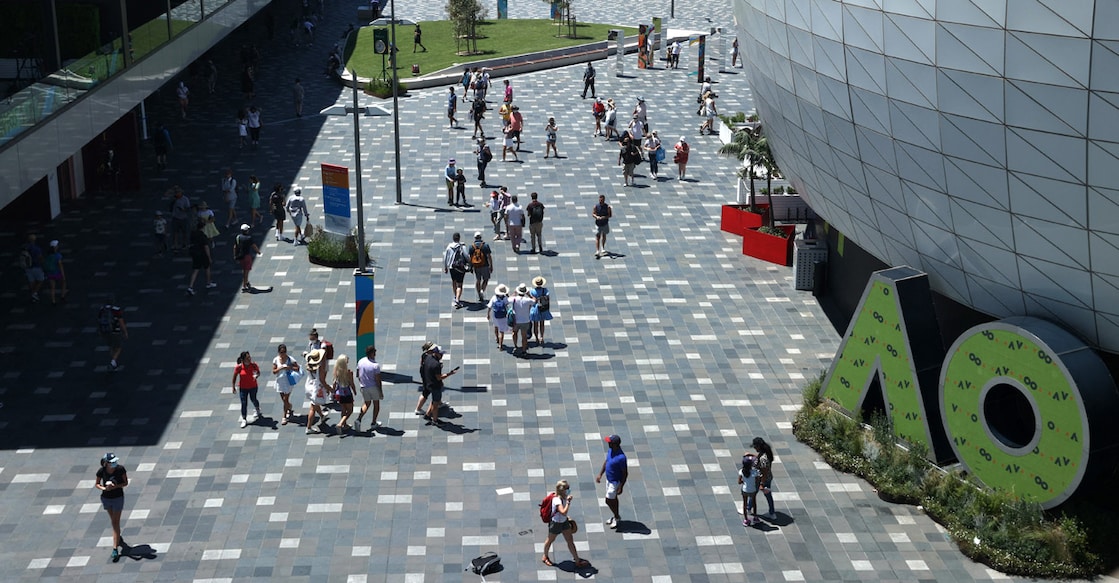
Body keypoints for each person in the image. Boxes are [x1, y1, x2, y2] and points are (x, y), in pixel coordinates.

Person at [541, 480, 590, 568]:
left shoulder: (564, 496)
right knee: (550, 540)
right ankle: (545, 556)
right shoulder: (557, 500)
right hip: (556, 524)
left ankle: (577, 560)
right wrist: (568, 502)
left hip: (564, 522)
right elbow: (563, 511)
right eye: (567, 488)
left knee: (570, 541)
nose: (569, 490)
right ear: (562, 490)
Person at [95, 453, 129, 562]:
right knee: (113, 520)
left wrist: (116, 486)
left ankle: (115, 548)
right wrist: (104, 488)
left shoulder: (120, 469)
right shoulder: (101, 471)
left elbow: (125, 482)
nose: (115, 464)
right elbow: (97, 484)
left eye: (115, 461)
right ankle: (118, 535)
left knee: (115, 522)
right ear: (107, 463)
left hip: (118, 498)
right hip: (106, 498)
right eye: (112, 462)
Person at [596, 434, 628, 528]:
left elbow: (625, 473)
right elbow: (607, 461)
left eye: (609, 442)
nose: (608, 443)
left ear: (614, 444)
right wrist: (600, 474)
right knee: (612, 499)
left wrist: (621, 486)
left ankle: (617, 517)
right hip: (608, 480)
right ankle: (615, 515)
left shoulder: (621, 458)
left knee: (608, 500)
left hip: (615, 482)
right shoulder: (611, 450)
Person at [423, 346, 458, 425]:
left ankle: (427, 415)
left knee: (435, 400)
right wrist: (450, 373)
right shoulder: (436, 365)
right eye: (440, 354)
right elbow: (439, 377)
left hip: (428, 383)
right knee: (436, 404)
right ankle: (435, 420)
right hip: (435, 386)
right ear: (436, 353)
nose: (442, 355)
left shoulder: (428, 358)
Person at [355, 345, 382, 432]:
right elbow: (378, 380)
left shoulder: (361, 361)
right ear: (372, 353)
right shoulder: (375, 365)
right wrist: (380, 391)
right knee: (376, 405)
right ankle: (373, 423)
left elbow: (358, 374)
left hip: (364, 387)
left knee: (366, 404)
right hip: (373, 387)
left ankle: (359, 419)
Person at [232, 351, 262, 428]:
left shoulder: (254, 365)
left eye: (249, 357)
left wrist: (256, 375)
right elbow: (234, 376)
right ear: (243, 360)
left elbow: (258, 372)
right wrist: (233, 386)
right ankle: (244, 418)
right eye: (247, 358)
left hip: (253, 386)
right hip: (243, 388)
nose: (249, 359)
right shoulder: (239, 367)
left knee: (253, 399)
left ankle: (257, 409)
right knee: (244, 403)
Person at [272, 344, 300, 425]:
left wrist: (289, 367)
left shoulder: (290, 359)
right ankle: (289, 406)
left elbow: (297, 368)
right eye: (281, 352)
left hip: (288, 381)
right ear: (279, 352)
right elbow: (274, 371)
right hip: (280, 381)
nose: (283, 354)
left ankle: (284, 416)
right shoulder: (276, 360)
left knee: (285, 399)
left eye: (284, 352)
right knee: (284, 400)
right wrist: (280, 368)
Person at [304, 349, 330, 434]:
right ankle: (309, 427)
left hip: (309, 387)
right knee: (312, 408)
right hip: (316, 389)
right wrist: (329, 389)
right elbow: (322, 381)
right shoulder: (320, 369)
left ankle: (322, 415)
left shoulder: (309, 365)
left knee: (315, 404)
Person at [186, 221, 216, 295]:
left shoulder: (193, 234)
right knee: (207, 267)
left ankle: (190, 286)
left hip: (194, 253)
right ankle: (208, 282)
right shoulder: (203, 236)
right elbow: (206, 247)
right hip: (202, 254)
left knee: (196, 270)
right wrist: (209, 257)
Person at [97, 301, 128, 371]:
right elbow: (121, 322)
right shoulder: (116, 309)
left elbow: (98, 321)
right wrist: (125, 332)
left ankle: (114, 363)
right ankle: (113, 362)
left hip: (106, 332)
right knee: (119, 347)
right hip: (115, 331)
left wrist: (100, 332)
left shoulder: (102, 309)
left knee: (112, 346)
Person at [752, 437, 778, 519]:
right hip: (766, 478)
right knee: (763, 494)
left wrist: (762, 484)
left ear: (759, 446)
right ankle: (772, 512)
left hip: (762, 479)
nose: (754, 448)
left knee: (753, 492)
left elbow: (764, 472)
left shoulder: (763, 458)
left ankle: (748, 508)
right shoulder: (765, 452)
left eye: (755, 446)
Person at [443, 232, 469, 308]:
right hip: (460, 267)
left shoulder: (449, 247)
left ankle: (455, 296)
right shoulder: (462, 247)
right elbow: (466, 256)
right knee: (460, 285)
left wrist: (445, 267)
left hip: (452, 267)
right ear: (459, 238)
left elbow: (445, 258)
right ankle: (457, 299)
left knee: (454, 282)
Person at [332, 354, 356, 434]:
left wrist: (333, 392)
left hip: (339, 393)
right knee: (350, 410)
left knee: (343, 409)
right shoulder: (349, 372)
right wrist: (355, 391)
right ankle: (341, 423)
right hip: (347, 393)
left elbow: (334, 383)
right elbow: (351, 383)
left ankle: (344, 425)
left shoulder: (336, 371)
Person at [234, 224, 261, 292]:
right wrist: (258, 252)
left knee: (244, 270)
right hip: (246, 256)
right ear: (247, 231)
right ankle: (244, 286)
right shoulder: (249, 238)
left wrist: (235, 256)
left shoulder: (238, 237)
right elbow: (254, 246)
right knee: (246, 271)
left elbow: (235, 247)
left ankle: (246, 282)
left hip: (240, 256)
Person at [509, 283, 534, 355]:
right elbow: (535, 300)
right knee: (524, 336)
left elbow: (508, 299)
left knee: (514, 333)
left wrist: (514, 293)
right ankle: (524, 350)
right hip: (525, 321)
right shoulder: (528, 300)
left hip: (516, 320)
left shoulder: (514, 299)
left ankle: (515, 346)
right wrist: (529, 295)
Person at [468, 232, 493, 302]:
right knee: (486, 279)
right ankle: (482, 290)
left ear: (475, 238)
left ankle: (479, 293)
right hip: (485, 265)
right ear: (481, 237)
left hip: (476, 266)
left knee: (478, 280)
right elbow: (489, 257)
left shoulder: (471, 246)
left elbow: (470, 258)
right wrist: (491, 266)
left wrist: (471, 267)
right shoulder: (485, 245)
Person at [738, 453, 760, 526]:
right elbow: (757, 481)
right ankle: (755, 517)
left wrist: (743, 481)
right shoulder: (754, 472)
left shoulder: (741, 471)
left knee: (744, 504)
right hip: (752, 490)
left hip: (744, 490)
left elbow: (739, 482)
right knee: (754, 503)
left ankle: (746, 519)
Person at [529, 276, 552, 346]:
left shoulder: (532, 291)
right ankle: (541, 337)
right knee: (542, 324)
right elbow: (548, 298)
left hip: (535, 309)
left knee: (535, 325)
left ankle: (536, 338)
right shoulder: (545, 290)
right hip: (543, 308)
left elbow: (531, 301)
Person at [21, 234, 44, 302]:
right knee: (41, 280)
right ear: (34, 240)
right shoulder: (37, 248)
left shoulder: (25, 248)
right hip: (36, 266)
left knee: (31, 281)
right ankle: (34, 293)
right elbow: (40, 257)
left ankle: (33, 294)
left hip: (27, 267)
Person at [42, 239, 67, 304]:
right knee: (63, 283)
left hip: (50, 273)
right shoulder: (58, 255)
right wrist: (63, 275)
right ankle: (62, 296)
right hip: (57, 273)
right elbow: (60, 266)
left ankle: (53, 301)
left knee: (52, 287)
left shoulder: (48, 255)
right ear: (55, 247)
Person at [488, 284, 512, 349]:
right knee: (501, 331)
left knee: (496, 327)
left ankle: (497, 338)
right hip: (503, 316)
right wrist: (507, 295)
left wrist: (488, 314)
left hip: (495, 315)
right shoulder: (505, 298)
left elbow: (489, 306)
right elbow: (508, 303)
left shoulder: (494, 297)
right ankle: (500, 345)